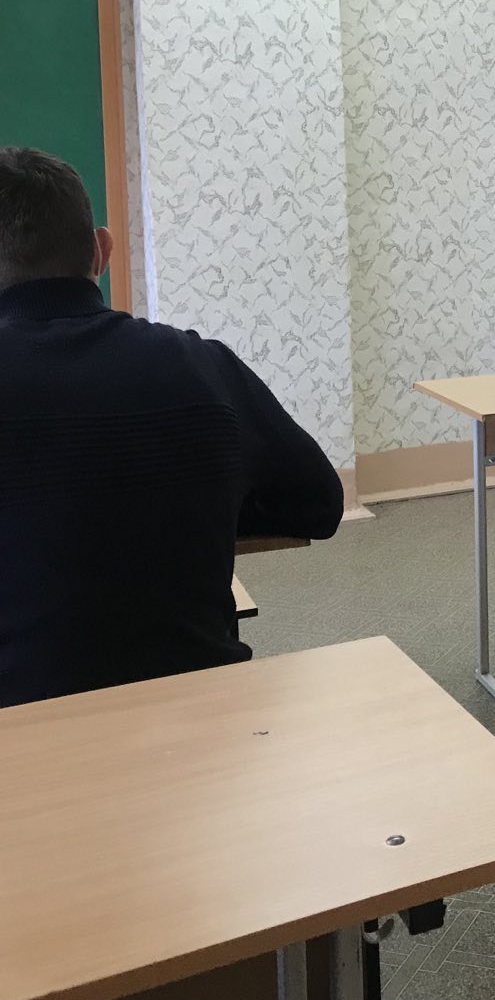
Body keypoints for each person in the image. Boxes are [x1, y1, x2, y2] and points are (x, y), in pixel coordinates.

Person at [0, 146, 344, 707]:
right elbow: (319, 505)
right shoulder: (203, 364)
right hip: (209, 718)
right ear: (102, 250)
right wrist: (190, 500)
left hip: (20, 737)